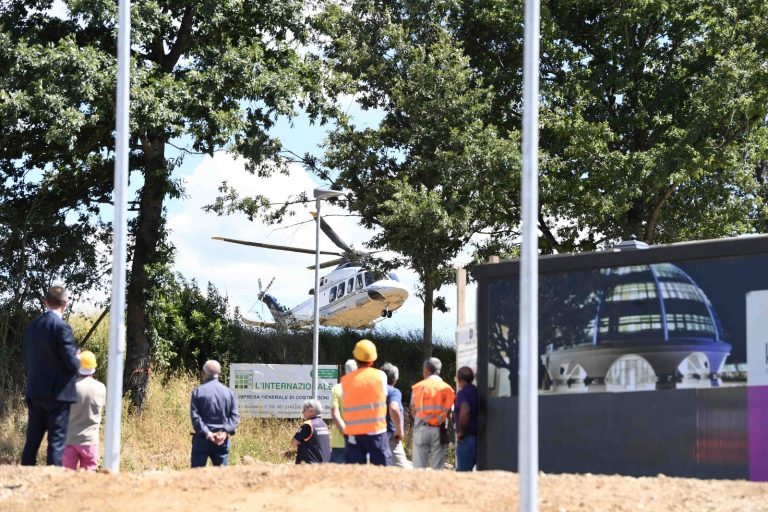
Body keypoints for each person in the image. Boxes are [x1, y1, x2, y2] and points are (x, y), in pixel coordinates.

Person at [21, 286, 81, 466]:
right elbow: (71, 364)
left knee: (31, 443)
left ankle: (25, 477)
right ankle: (52, 480)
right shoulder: (61, 327)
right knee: (56, 444)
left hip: (35, 391)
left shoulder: (32, 327)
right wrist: (77, 358)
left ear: (45, 301)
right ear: (66, 304)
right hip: (58, 394)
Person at [341, 339, 392, 466]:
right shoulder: (381, 376)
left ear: (355, 358)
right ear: (373, 359)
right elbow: (384, 397)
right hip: (376, 431)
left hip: (354, 434)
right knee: (382, 471)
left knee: (356, 471)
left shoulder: (346, 380)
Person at [190, 360, 240, 468]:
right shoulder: (229, 393)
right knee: (222, 475)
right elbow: (234, 416)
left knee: (197, 474)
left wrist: (208, 433)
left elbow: (195, 417)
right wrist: (225, 432)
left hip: (202, 440)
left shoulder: (198, 392)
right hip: (221, 441)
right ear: (219, 374)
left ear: (203, 373)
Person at [62, 350, 106, 470]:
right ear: (94, 368)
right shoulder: (101, 388)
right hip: (90, 441)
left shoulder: (69, 387)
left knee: (67, 474)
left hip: (70, 439)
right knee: (88, 476)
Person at [411, 357, 455, 470]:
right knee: (437, 469)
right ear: (439, 370)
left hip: (421, 429)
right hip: (440, 431)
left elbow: (414, 411)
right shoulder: (448, 389)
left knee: (418, 468)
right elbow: (450, 413)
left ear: (426, 370)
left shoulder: (418, 387)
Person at [380, 362, 412, 469]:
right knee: (402, 470)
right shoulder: (393, 392)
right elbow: (394, 408)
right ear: (395, 379)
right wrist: (399, 431)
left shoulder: (374, 391)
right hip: (390, 438)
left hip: (375, 436)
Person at [330, 359, 357, 463]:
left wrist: (347, 433)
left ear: (346, 371)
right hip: (360, 442)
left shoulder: (337, 389)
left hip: (340, 442)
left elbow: (335, 415)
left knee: (335, 472)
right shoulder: (365, 388)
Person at [291, 399, 331, 464]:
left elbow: (293, 443)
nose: (302, 413)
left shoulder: (308, 424)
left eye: (304, 410)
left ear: (311, 411)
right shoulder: (324, 424)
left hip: (309, 466)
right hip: (325, 465)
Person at [454, 366, 478, 471]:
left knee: (463, 474)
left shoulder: (462, 393)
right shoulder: (478, 392)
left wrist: (462, 432)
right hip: (481, 439)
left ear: (459, 379)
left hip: (467, 439)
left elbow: (465, 410)